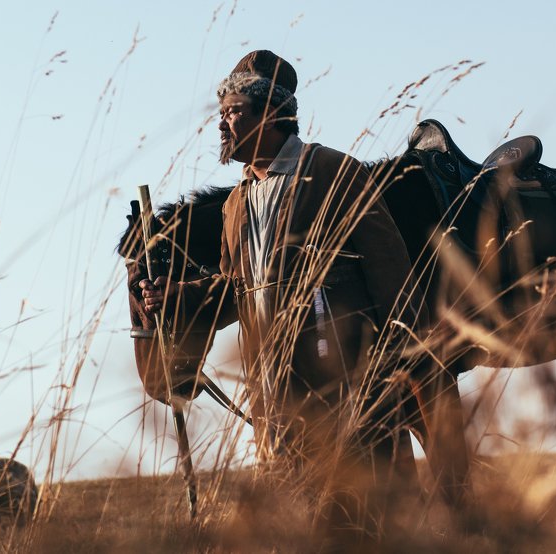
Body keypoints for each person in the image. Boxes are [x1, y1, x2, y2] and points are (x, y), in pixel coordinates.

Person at [140, 50, 421, 546]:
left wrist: (398, 375)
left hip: (348, 392)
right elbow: (236, 290)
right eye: (221, 112)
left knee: (366, 529)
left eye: (233, 112)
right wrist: (175, 296)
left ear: (271, 112)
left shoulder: (332, 171)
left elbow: (391, 274)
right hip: (275, 405)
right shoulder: (236, 202)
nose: (222, 124)